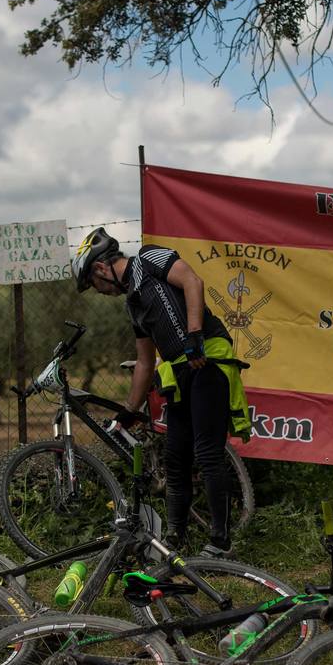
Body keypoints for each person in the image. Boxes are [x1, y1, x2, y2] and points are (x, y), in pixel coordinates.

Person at [73, 227, 245, 557]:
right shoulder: (133, 305)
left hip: (207, 356)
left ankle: (221, 543)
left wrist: (194, 335)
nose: (99, 291)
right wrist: (129, 410)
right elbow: (144, 362)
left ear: (100, 269)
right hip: (179, 371)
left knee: (207, 451)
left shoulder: (150, 259)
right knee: (175, 458)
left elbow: (193, 282)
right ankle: (175, 539)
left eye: (93, 285)